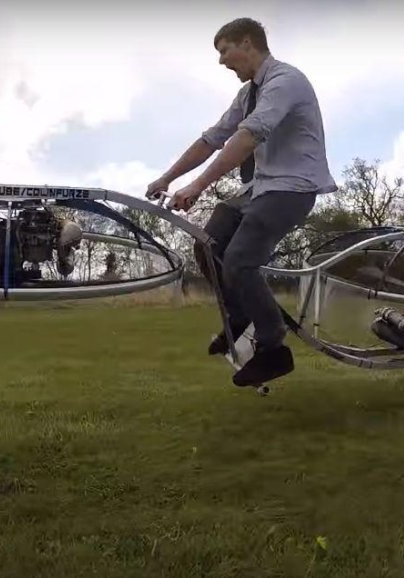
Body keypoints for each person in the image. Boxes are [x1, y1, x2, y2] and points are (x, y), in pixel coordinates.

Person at [146, 17, 336, 387]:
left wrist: (198, 185)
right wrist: (168, 178)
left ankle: (273, 349)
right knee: (207, 246)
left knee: (240, 261)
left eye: (224, 51)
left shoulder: (284, 81)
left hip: (292, 189)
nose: (221, 62)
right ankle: (238, 316)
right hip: (259, 189)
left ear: (247, 44)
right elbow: (212, 138)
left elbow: (248, 137)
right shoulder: (248, 93)